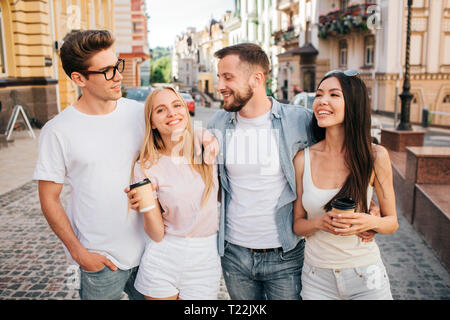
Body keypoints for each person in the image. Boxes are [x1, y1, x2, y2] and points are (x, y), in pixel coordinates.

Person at [34, 29, 215, 300]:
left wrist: (204, 134)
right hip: (102, 260)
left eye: (117, 65)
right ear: (78, 78)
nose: (118, 75)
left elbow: (176, 127)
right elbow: (49, 199)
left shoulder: (138, 113)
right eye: (107, 71)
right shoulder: (57, 131)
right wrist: (79, 253)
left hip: (154, 252)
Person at [292, 70, 398, 300]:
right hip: (316, 277)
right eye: (319, 94)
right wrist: (320, 223)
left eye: (334, 95)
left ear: (353, 104)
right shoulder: (303, 159)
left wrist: (369, 221)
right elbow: (298, 225)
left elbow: (392, 223)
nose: (322, 101)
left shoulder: (375, 156)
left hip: (365, 275)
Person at [132, 86, 221, 300]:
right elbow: (156, 233)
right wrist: (146, 204)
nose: (172, 113)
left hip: (205, 259)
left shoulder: (206, 147)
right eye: (161, 110)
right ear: (152, 123)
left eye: (176, 105)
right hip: (163, 257)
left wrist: (206, 137)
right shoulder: (145, 166)